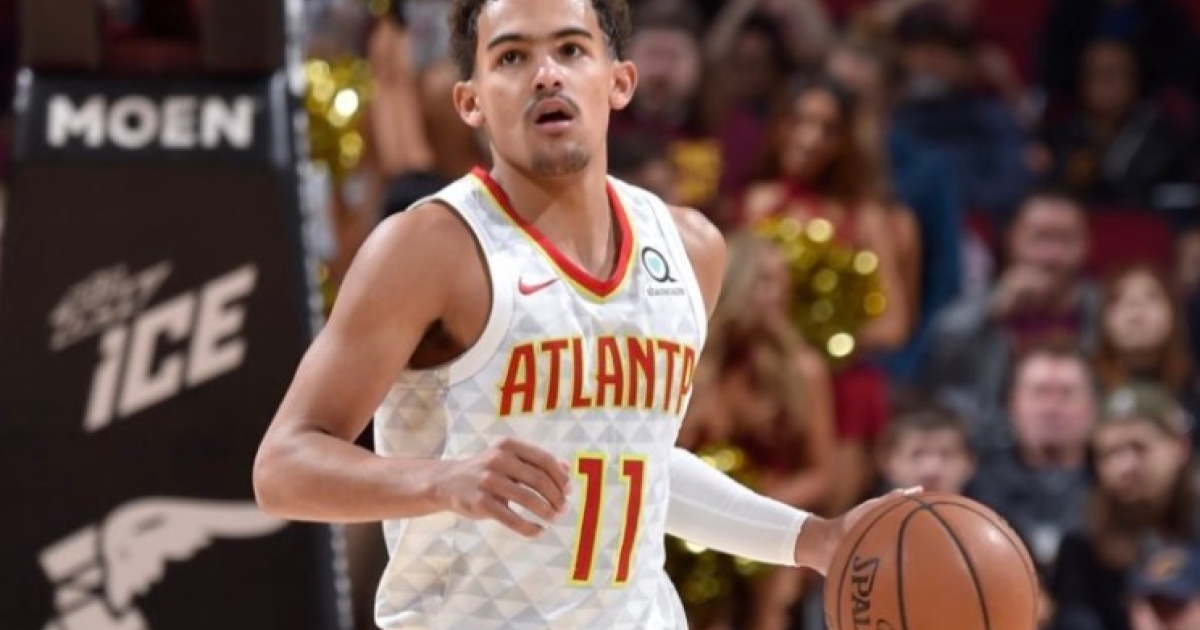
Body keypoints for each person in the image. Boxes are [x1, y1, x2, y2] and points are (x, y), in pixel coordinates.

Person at [251, 1, 905, 629]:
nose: (546, 74)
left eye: (570, 49)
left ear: (619, 81)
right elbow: (282, 467)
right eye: (511, 57)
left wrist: (813, 540)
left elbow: (641, 466)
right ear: (470, 101)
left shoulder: (690, 249)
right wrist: (441, 480)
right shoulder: (430, 247)